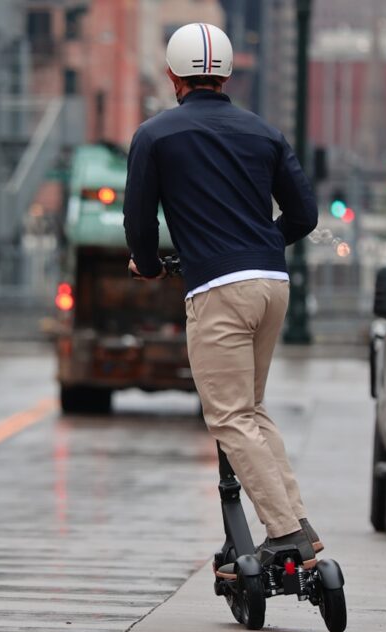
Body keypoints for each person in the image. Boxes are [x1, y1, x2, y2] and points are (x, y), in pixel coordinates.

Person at [123, 22, 321, 569]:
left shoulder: (155, 136)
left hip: (219, 289)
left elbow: (139, 220)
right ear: (228, 73)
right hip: (272, 285)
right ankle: (298, 523)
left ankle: (283, 533)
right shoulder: (265, 133)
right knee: (252, 411)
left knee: (229, 418)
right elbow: (304, 215)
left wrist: (145, 264)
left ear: (172, 75)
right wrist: (259, 245)